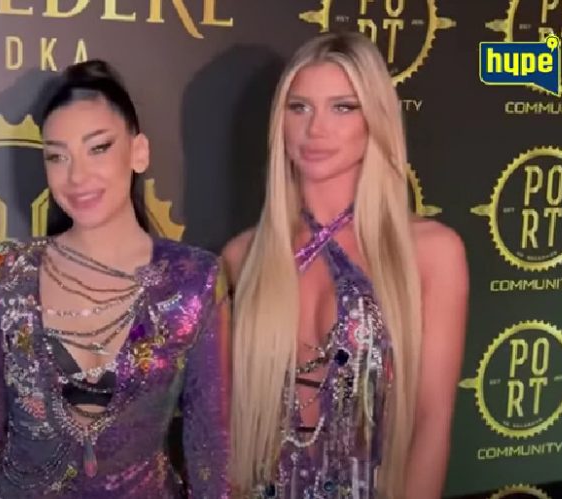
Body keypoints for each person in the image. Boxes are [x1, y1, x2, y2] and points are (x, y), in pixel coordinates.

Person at [0, 59, 231, 497]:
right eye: (57, 156)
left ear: (138, 152)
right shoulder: (7, 273)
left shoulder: (193, 281)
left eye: (98, 148)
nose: (77, 176)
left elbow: (211, 453)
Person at [222, 32, 469, 498]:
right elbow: (229, 433)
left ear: (375, 119)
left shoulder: (432, 253)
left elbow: (431, 422)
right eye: (299, 108)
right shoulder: (242, 259)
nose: (316, 129)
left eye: (343, 107)